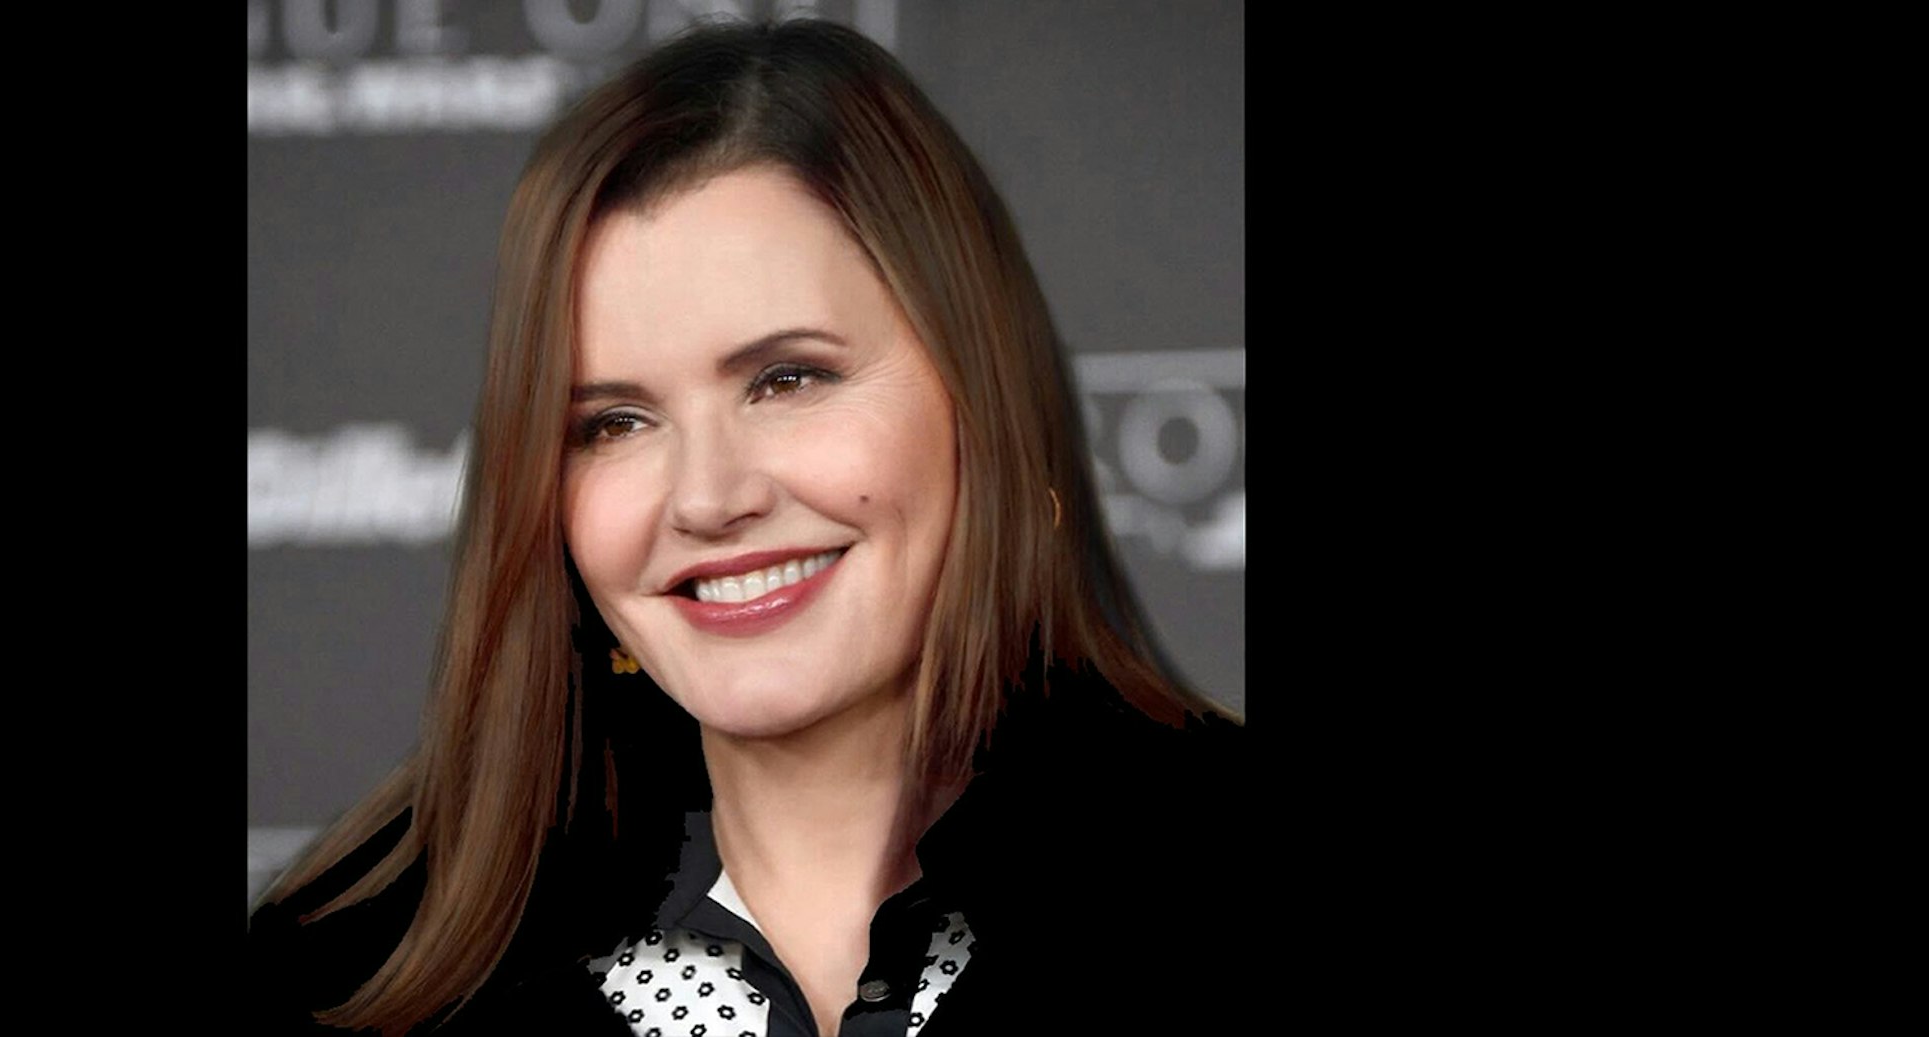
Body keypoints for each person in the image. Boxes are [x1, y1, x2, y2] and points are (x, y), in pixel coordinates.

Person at [246, 18, 1260, 1036]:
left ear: (982, 394)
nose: (706, 495)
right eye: (614, 422)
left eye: (788, 377)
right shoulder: (337, 977)